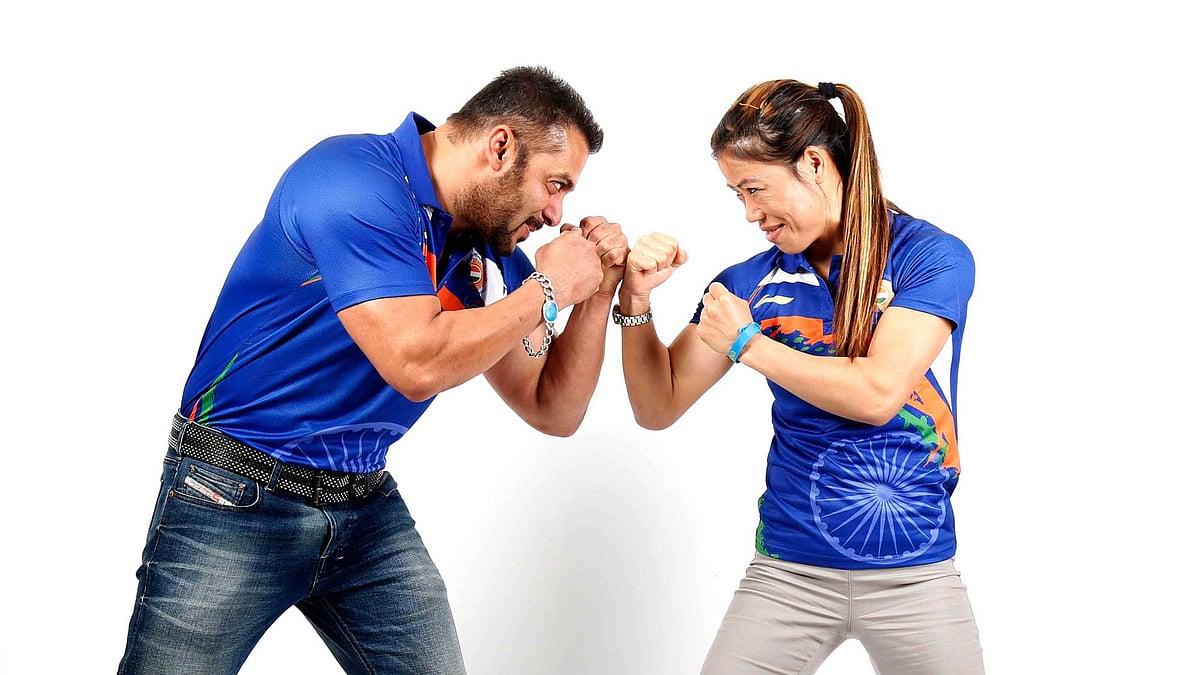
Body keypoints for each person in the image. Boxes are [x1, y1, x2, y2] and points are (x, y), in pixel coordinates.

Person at [118, 65, 630, 674]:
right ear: (500, 147)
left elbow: (554, 408)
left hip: (364, 504)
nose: (555, 212)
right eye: (554, 184)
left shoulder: (491, 251)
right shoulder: (352, 182)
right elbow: (415, 361)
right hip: (232, 491)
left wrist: (596, 289)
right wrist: (548, 289)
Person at [615, 80, 985, 674]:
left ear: (813, 163)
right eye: (737, 194)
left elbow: (878, 393)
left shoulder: (928, 256)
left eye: (755, 188)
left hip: (916, 573)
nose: (749, 213)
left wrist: (748, 344)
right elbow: (658, 405)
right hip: (786, 573)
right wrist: (635, 300)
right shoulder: (748, 283)